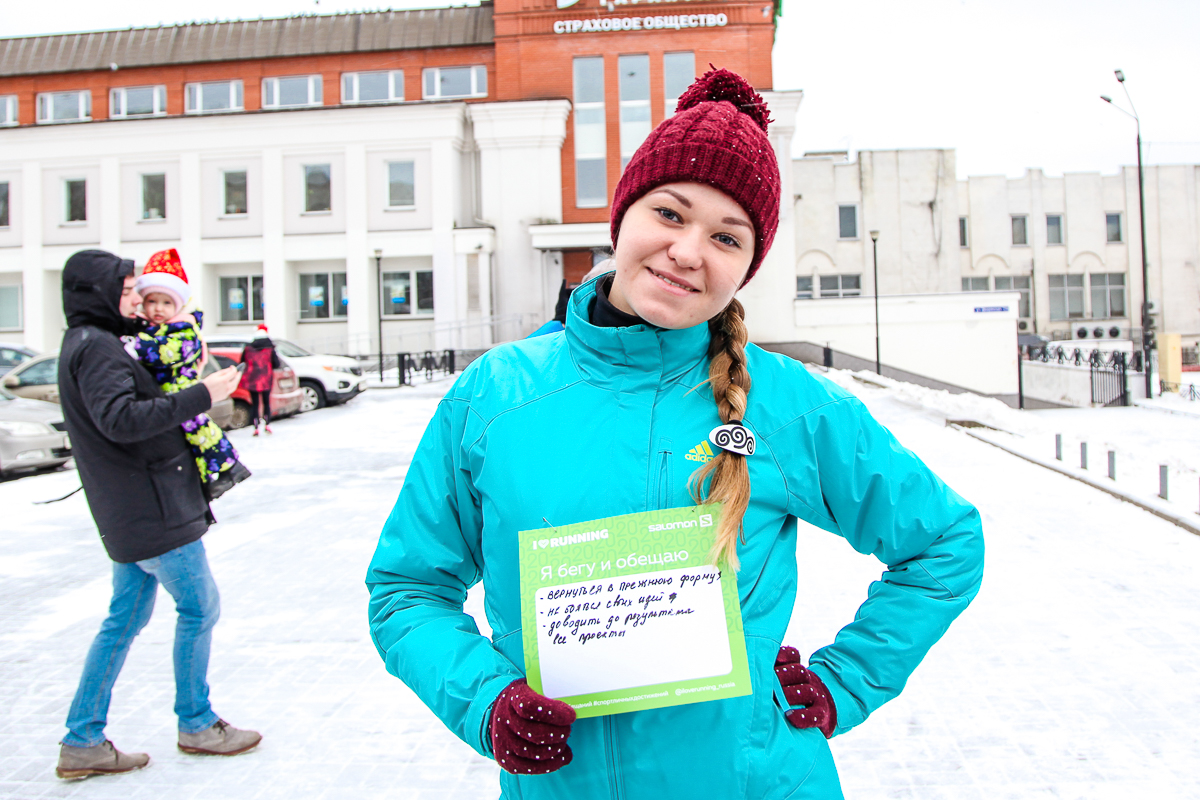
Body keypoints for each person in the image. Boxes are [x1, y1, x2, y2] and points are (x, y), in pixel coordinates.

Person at [366, 69, 984, 798]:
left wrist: (842, 684)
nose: (689, 251)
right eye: (670, 212)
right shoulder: (496, 398)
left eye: (727, 236)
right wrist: (486, 701)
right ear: (622, 215)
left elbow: (944, 540)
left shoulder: (784, 406)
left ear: (748, 265)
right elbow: (406, 588)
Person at [56, 250, 262, 780]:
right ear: (96, 291)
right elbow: (121, 420)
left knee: (122, 622)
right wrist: (204, 393)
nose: (133, 299)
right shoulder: (98, 348)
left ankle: (82, 739)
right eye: (124, 289)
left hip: (131, 511)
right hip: (151, 512)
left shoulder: (91, 343)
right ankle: (195, 722)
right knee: (199, 608)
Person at [133, 248, 251, 501]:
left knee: (199, 431)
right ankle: (213, 473)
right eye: (151, 301)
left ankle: (228, 467)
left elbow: (168, 354)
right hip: (168, 395)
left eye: (166, 303)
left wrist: (137, 346)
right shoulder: (150, 328)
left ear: (178, 305)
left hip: (182, 389)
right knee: (192, 437)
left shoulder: (184, 330)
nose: (157, 309)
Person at [240, 324, 280, 436]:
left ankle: (255, 426)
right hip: (266, 378)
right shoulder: (270, 348)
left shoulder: (248, 348)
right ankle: (267, 424)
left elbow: (242, 361)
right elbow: (276, 364)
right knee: (266, 402)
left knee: (255, 403)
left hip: (252, 378)